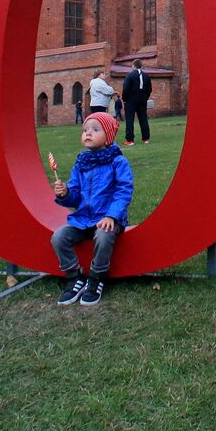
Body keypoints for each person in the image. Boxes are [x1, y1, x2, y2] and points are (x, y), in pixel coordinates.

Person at [50, 111, 133, 306]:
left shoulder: (117, 162)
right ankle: (74, 276)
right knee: (59, 237)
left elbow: (123, 190)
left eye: (95, 130)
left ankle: (97, 278)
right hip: (83, 220)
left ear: (108, 137)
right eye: (85, 130)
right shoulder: (81, 163)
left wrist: (112, 216)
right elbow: (75, 195)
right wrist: (65, 194)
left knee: (103, 237)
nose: (88, 133)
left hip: (108, 219)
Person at [122, 59, 154, 145]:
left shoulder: (130, 75)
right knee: (143, 118)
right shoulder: (146, 76)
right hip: (143, 99)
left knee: (129, 119)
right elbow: (149, 89)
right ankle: (146, 139)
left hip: (131, 99)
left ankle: (130, 140)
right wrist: (145, 97)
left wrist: (124, 99)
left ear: (134, 66)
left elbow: (126, 88)